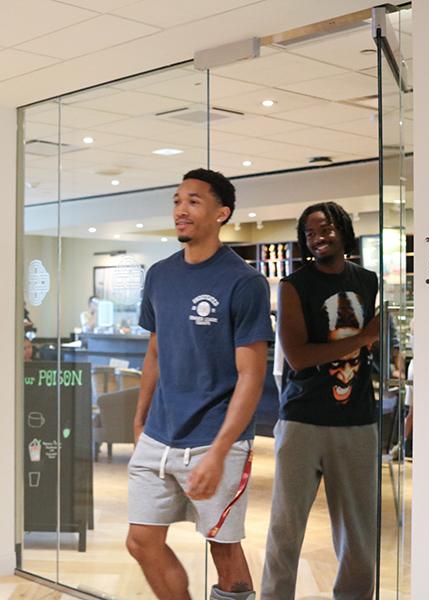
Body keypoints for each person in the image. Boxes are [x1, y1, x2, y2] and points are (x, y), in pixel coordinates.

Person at [126, 168, 274, 600]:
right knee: (140, 541)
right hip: (159, 434)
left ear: (222, 213)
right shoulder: (159, 275)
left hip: (214, 438)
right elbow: (155, 353)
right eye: (176, 201)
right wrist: (140, 420)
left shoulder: (244, 282)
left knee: (223, 549)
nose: (180, 210)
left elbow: (252, 374)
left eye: (193, 201)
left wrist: (223, 449)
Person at [261, 201, 380, 600]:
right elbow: (299, 356)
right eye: (309, 232)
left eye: (325, 227)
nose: (318, 237)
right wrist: (365, 336)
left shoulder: (368, 280)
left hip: (358, 419)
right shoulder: (294, 286)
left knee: (359, 531)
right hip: (303, 420)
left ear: (344, 229)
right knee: (285, 528)